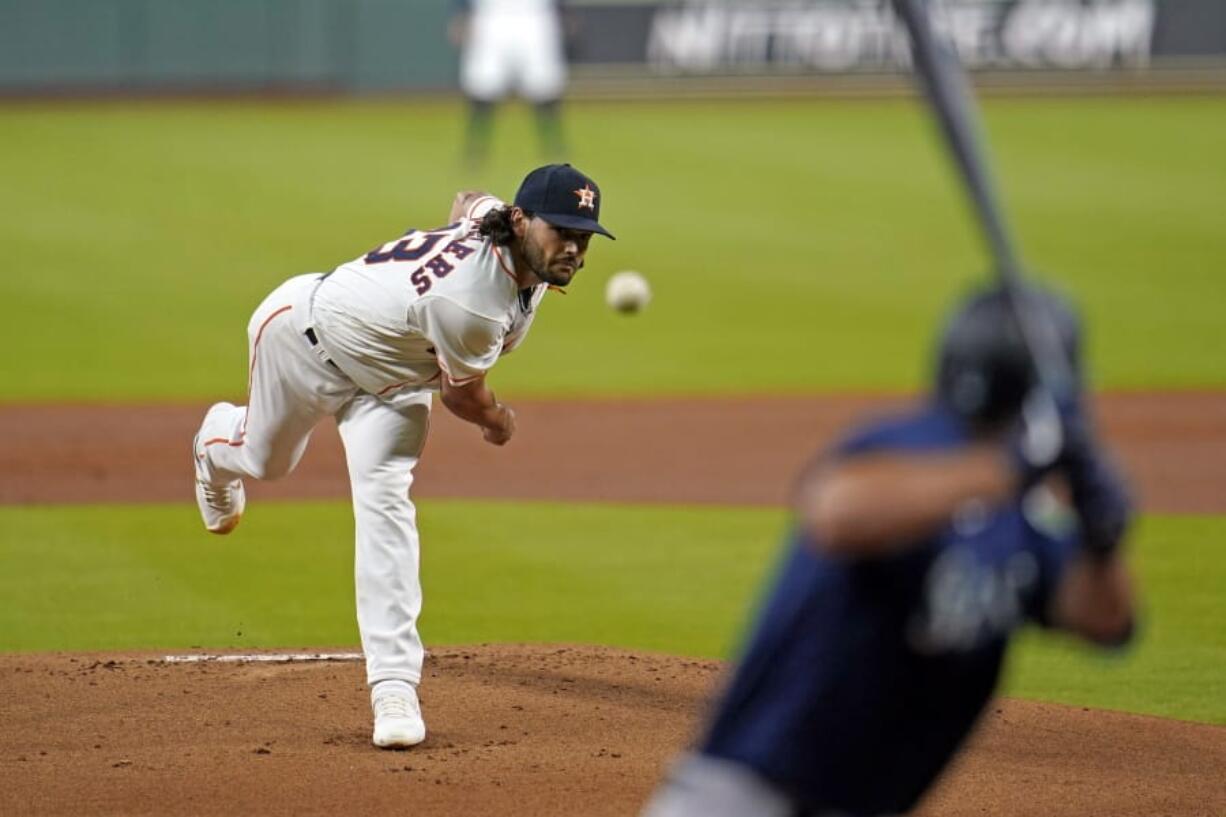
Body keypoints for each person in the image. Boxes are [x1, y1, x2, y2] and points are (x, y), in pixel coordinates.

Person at [641, 285, 1137, 817]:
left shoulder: (1027, 515)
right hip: (752, 792)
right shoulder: (909, 444)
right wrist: (1014, 467)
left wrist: (1102, 541)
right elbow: (835, 513)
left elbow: (1104, 623)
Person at [191, 163, 614, 749]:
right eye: (560, 231)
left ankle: (393, 686)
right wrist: (498, 421)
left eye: (583, 235)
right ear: (519, 221)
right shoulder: (475, 304)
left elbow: (469, 198)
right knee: (265, 461)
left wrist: (448, 243)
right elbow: (464, 394)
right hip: (303, 341)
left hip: (391, 384)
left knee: (387, 503)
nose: (572, 247)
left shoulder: (503, 234)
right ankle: (214, 446)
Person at [449, 0, 570, 167]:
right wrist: (461, 13)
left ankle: (554, 145)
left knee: (543, 84)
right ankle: (475, 148)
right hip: (490, 16)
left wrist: (564, 12)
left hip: (535, 15)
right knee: (483, 84)